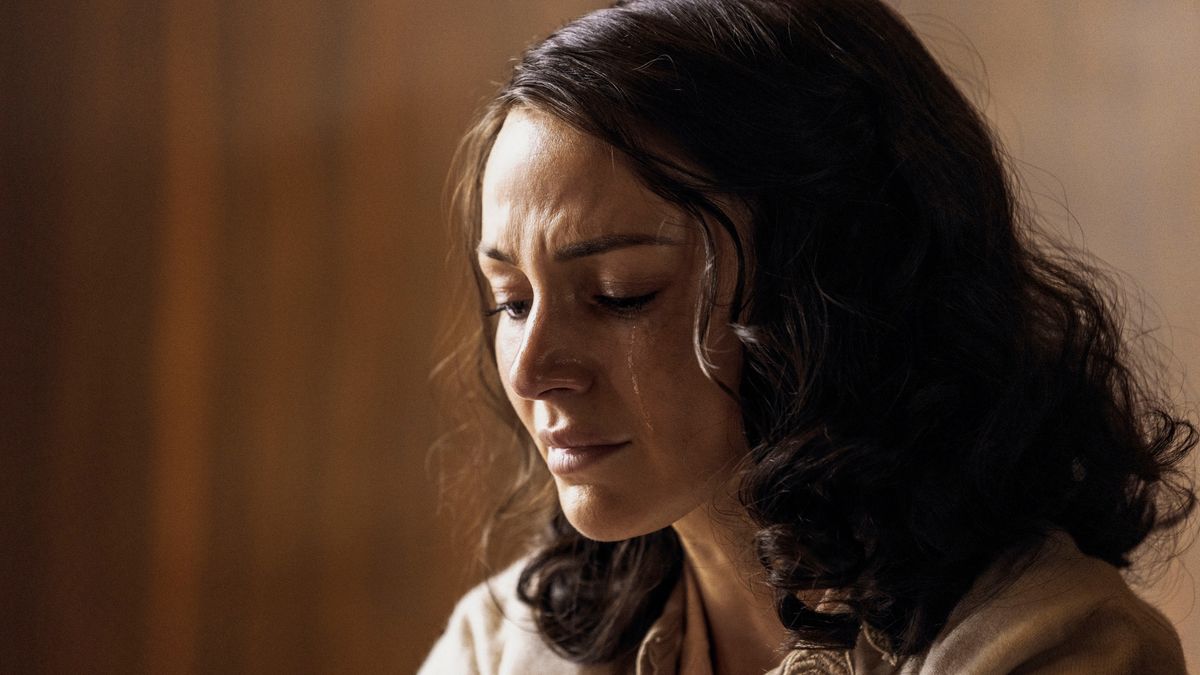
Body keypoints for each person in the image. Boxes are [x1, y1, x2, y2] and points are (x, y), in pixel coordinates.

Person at [421, 0, 1196, 673]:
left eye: (622, 294)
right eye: (512, 301)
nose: (531, 370)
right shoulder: (497, 645)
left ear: (835, 287)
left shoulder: (1052, 650)